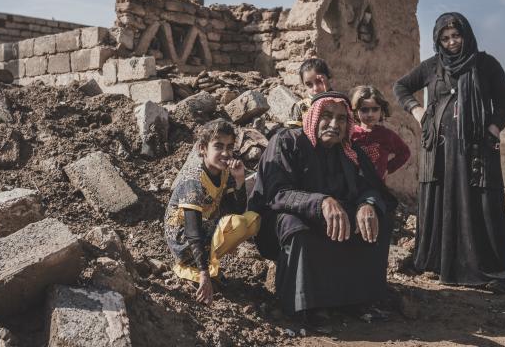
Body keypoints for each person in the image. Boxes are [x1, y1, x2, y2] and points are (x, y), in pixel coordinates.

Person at [393, 12, 505, 293]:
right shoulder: (433, 66)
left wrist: (494, 129)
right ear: (439, 40)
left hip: (476, 151)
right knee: (442, 202)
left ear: (466, 35)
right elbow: (401, 87)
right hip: (440, 150)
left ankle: (488, 268)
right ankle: (438, 262)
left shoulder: (485, 64)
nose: (451, 42)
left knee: (481, 203)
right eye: (445, 38)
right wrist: (419, 111)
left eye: (456, 36)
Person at [249, 91, 397, 317]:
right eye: (326, 116)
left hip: (335, 217)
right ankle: (306, 305)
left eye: (341, 119)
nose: (333, 124)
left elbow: (371, 188)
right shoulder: (287, 141)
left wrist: (367, 204)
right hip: (284, 217)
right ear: (314, 117)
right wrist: (321, 202)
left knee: (379, 218)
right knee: (295, 227)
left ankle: (357, 300)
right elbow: (277, 194)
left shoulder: (350, 151)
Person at [164, 119, 261, 305]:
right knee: (238, 224)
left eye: (229, 147)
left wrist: (240, 179)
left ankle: (207, 264)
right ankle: (197, 268)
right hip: (184, 240)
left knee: (251, 220)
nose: (225, 153)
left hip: (206, 227)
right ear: (202, 149)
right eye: (218, 146)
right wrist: (204, 275)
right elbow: (192, 231)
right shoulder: (194, 180)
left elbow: (236, 210)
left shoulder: (224, 172)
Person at [350, 85, 411, 182]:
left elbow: (404, 152)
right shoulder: (350, 134)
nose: (370, 114)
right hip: (352, 186)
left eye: (375, 109)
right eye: (364, 110)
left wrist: (388, 169)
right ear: (356, 111)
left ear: (381, 110)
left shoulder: (386, 135)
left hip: (376, 188)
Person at [286, 58, 334, 128]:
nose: (315, 88)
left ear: (329, 79)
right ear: (303, 85)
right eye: (309, 84)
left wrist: (328, 94)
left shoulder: (339, 103)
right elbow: (294, 134)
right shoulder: (301, 107)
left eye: (319, 81)